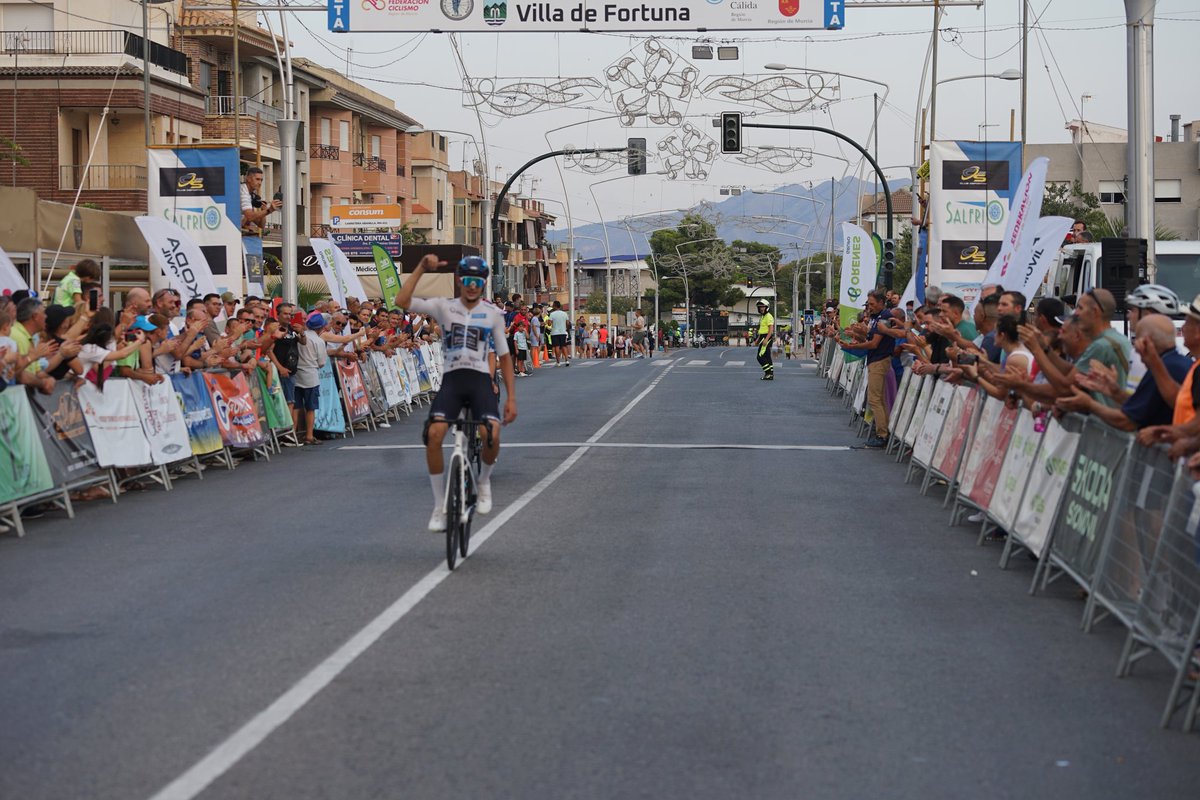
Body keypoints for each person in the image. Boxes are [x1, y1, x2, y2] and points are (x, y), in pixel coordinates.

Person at [394, 254, 517, 533]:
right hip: (452, 380)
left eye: (478, 281)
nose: (472, 286)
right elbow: (401, 302)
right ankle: (439, 505)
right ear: (459, 281)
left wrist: (511, 398)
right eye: (467, 281)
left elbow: (505, 358)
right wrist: (421, 268)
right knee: (434, 435)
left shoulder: (493, 315)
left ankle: (484, 481)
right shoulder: (443, 307)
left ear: (483, 284)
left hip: (479, 382)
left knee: (491, 434)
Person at [293, 312, 329, 446]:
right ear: (321, 328)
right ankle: (309, 435)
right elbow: (321, 362)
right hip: (311, 375)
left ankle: (292, 435)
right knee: (310, 408)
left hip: (296, 374)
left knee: (295, 406)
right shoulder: (319, 341)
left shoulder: (297, 336)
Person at [241, 166, 280, 235]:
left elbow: (261, 225)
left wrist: (263, 211)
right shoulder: (243, 191)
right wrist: (269, 210)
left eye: (261, 180)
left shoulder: (252, 195)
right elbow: (249, 216)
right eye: (257, 179)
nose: (260, 183)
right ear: (248, 178)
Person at [754, 299, 775, 380]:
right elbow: (762, 329)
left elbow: (770, 329)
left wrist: (766, 339)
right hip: (762, 337)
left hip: (766, 337)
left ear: (767, 307)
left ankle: (768, 373)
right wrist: (758, 339)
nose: (761, 308)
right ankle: (771, 374)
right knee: (767, 356)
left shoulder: (769, 316)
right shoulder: (763, 317)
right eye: (759, 307)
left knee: (760, 357)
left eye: (763, 307)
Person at [548, 300, 570, 366]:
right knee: (564, 346)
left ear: (554, 306)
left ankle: (558, 362)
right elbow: (567, 323)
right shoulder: (565, 313)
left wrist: (548, 322)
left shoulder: (552, 314)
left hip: (554, 332)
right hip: (563, 332)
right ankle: (567, 360)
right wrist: (565, 328)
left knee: (556, 346)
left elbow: (549, 324)